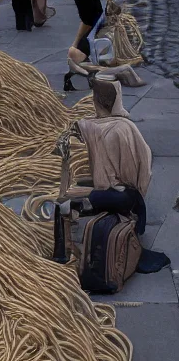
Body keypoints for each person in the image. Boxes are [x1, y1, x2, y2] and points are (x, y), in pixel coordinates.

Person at [58, 79, 170, 273]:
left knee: (63, 205)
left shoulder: (87, 126)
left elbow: (65, 145)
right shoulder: (125, 128)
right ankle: (82, 204)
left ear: (95, 101)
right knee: (117, 194)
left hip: (116, 196)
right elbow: (144, 162)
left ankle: (60, 254)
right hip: (127, 196)